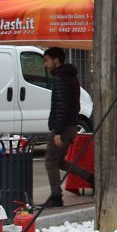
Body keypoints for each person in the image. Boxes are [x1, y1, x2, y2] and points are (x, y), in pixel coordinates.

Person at [39, 47, 92, 208]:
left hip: (62, 127)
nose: (45, 65)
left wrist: (59, 132)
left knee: (50, 162)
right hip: (70, 125)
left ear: (56, 60)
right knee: (59, 161)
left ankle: (56, 197)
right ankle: (90, 177)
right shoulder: (71, 78)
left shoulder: (61, 78)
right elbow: (73, 105)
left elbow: (62, 106)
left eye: (47, 60)